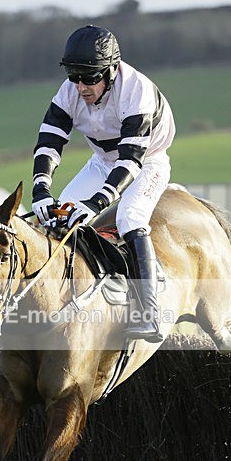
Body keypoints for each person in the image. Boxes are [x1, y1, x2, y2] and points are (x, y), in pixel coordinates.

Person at [31, 24, 176, 343]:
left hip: (146, 160)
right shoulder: (69, 91)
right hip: (102, 161)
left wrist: (95, 204)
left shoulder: (135, 91)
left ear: (111, 71)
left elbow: (130, 161)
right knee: (59, 219)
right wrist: (41, 188)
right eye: (74, 76)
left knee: (130, 218)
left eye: (89, 77)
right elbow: (48, 143)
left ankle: (149, 312)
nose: (80, 86)